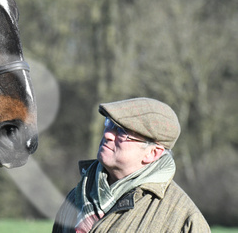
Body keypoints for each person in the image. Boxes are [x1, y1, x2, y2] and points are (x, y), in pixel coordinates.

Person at [53, 97, 210, 232]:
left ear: (152, 153)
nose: (107, 134)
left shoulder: (184, 221)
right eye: (109, 124)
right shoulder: (77, 196)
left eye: (122, 132)